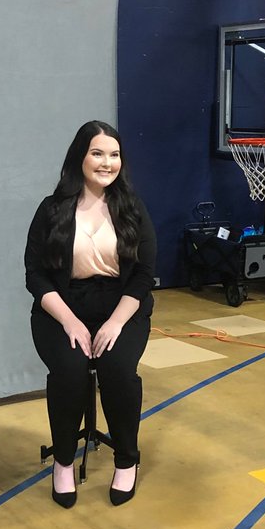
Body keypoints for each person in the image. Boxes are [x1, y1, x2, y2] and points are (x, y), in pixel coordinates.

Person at [25, 121, 156, 508]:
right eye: (97, 153)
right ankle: (63, 462)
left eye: (114, 155)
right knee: (69, 370)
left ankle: (127, 460)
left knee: (118, 370)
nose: (107, 162)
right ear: (80, 158)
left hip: (121, 306)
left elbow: (144, 275)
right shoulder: (52, 209)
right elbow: (35, 274)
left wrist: (115, 322)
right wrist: (69, 321)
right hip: (63, 307)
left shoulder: (132, 208)